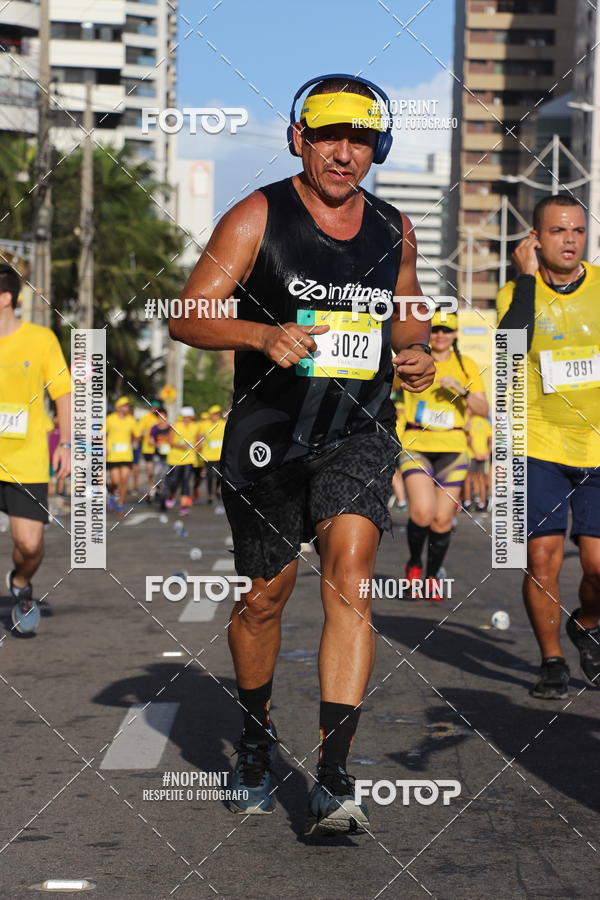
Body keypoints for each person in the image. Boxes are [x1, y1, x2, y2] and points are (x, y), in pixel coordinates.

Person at [170, 73, 435, 835]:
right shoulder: (257, 215)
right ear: (299, 140)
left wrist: (418, 353)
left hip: (359, 429)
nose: (344, 153)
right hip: (268, 435)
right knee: (264, 597)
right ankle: (256, 738)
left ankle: (334, 773)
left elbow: (408, 317)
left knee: (350, 578)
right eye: (328, 137)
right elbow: (189, 314)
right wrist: (260, 334)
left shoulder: (393, 228)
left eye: (360, 140)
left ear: (378, 148)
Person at [496, 193, 600, 699]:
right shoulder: (516, 292)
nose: (570, 240)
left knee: (598, 568)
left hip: (597, 447)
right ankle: (552, 659)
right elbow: (509, 352)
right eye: (558, 231)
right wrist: (524, 279)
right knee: (542, 558)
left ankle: (586, 623)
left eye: (578, 230)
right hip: (538, 442)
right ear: (535, 239)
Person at [0, 263, 72, 634]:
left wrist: (67, 443)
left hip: (26, 459)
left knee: (29, 546)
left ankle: (20, 581)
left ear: (5, 297)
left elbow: (63, 394)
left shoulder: (41, 340)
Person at [400, 311, 488, 596]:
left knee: (441, 519)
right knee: (422, 512)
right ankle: (414, 563)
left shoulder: (466, 365)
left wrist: (462, 391)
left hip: (454, 448)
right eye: (435, 330)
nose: (440, 335)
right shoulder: (413, 360)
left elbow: (483, 409)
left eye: (446, 331)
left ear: (455, 335)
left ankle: (432, 576)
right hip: (417, 444)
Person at [165, 406, 201, 515]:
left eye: (189, 416)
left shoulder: (196, 426)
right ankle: (171, 495)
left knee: (186, 481)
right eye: (185, 416)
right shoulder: (176, 426)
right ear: (182, 416)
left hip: (189, 458)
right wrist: (179, 446)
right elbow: (169, 440)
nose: (187, 418)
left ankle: (184, 506)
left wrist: (198, 447)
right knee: (175, 481)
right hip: (175, 458)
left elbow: (199, 440)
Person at [105, 397, 139, 513]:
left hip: (126, 455)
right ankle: (111, 493)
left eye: (128, 406)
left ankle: (120, 504)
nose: (127, 408)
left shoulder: (131, 420)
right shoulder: (110, 419)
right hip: (113, 455)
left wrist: (135, 441)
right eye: (124, 405)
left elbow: (137, 434)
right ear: (118, 407)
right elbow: (101, 433)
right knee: (115, 482)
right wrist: (104, 447)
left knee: (124, 481)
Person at [463, 411, 492, 513]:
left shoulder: (469, 420)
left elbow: (468, 438)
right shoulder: (485, 421)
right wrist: (487, 452)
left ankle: (467, 503)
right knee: (481, 479)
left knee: (468, 478)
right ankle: (482, 503)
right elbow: (491, 439)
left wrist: (476, 452)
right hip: (482, 454)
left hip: (472, 454)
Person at [138, 401, 162, 503]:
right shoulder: (145, 418)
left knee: (159, 472)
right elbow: (139, 432)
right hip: (148, 449)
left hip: (160, 450)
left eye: (156, 407)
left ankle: (158, 488)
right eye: (153, 407)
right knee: (151, 472)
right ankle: (152, 490)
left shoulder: (161, 417)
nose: (154, 409)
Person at [202, 404, 225, 504]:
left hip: (220, 455)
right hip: (208, 455)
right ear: (210, 415)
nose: (216, 416)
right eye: (214, 414)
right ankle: (209, 494)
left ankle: (216, 489)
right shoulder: (205, 425)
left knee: (220, 475)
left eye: (218, 414)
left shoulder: (223, 424)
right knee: (210, 475)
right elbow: (199, 437)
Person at [149, 407, 170, 509]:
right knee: (157, 474)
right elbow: (150, 441)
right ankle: (156, 489)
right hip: (157, 455)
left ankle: (163, 495)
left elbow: (174, 439)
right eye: (159, 417)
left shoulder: (170, 428)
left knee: (165, 475)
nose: (161, 419)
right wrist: (155, 444)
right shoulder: (154, 428)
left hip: (168, 456)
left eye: (163, 417)